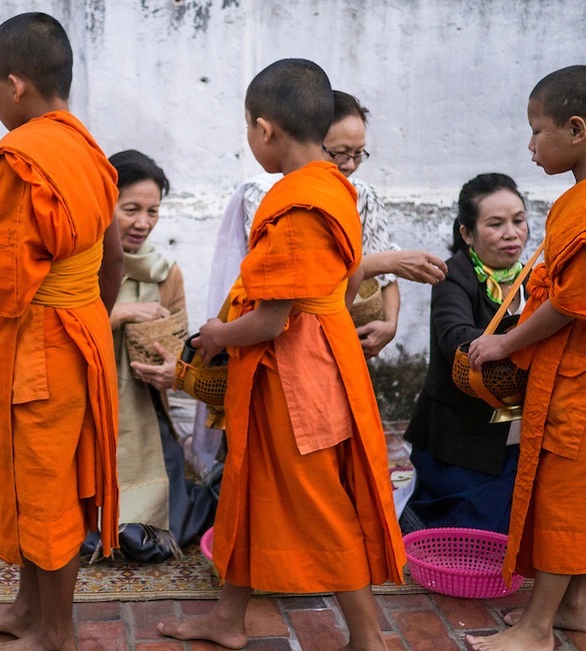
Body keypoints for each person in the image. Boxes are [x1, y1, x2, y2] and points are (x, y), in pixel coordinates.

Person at [157, 58, 405, 651]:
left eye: (248, 129)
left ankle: (369, 638)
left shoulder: (295, 203)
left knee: (320, 505)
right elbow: (343, 288)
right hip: (317, 360)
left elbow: (271, 319)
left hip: (297, 378)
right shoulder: (336, 188)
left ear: (265, 129)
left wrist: (216, 334)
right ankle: (228, 619)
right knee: (248, 488)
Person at [465, 65, 586, 651]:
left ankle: (536, 627)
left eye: (537, 130)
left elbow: (581, 303)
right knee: (582, 486)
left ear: (576, 129)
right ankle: (578, 605)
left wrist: (505, 341)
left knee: (567, 493)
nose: (529, 146)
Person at [0, 13, 121, 651]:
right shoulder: (87, 149)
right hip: (78, 329)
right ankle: (28, 610)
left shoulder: (23, 160)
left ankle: (57, 633)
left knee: (48, 489)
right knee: (32, 474)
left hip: (45, 341)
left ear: (16, 85)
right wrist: (91, 315)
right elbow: (112, 258)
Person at [189, 89, 449, 484]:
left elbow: (283, 308)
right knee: (315, 472)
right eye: (340, 152)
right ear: (315, 139)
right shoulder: (304, 194)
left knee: (299, 478)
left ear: (264, 130)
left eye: (358, 154)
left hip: (302, 351)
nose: (348, 164)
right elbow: (334, 276)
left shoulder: (313, 198)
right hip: (320, 341)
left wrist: (219, 335)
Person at [103, 149, 218, 561]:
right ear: (103, 203)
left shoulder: (167, 273)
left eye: (153, 211)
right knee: (90, 532)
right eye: (130, 209)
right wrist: (122, 314)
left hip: (146, 416)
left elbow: (182, 351)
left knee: (151, 536)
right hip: (88, 413)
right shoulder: (79, 265)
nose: (143, 223)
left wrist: (174, 373)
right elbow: (56, 334)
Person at [401, 173, 529, 535]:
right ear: (467, 233)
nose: (511, 233)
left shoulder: (536, 277)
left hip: (521, 434)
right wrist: (524, 339)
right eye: (495, 223)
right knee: (483, 531)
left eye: (518, 221)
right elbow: (455, 337)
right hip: (461, 438)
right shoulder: (453, 276)